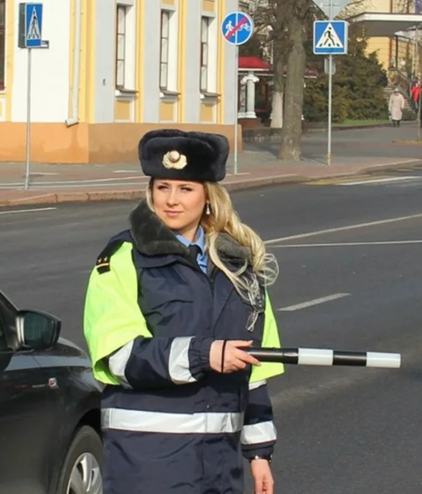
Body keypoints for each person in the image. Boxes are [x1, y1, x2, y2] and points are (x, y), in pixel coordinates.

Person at [83, 128, 285, 494]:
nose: (171, 200)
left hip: (220, 466)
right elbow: (119, 357)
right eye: (162, 187)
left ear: (208, 197)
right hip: (149, 461)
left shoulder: (237, 265)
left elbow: (255, 370)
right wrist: (203, 355)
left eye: (185, 189)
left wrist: (259, 454)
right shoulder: (122, 258)